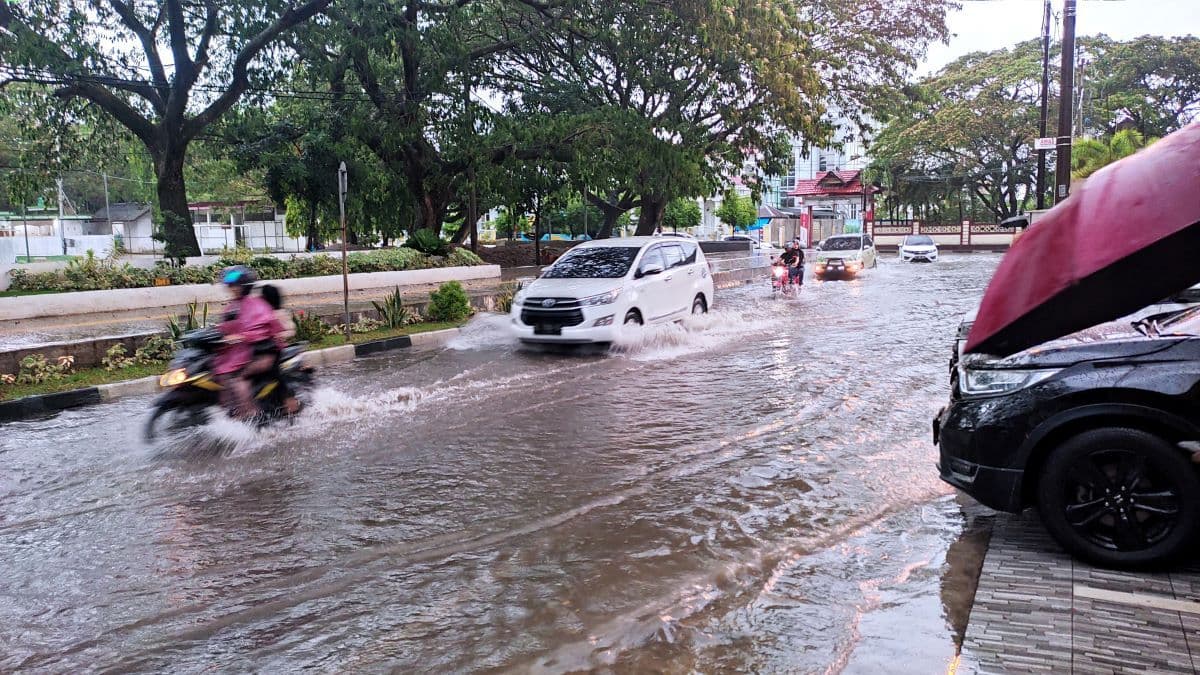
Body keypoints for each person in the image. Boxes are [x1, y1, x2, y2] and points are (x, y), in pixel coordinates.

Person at [213, 266, 287, 420]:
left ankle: (250, 413)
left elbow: (264, 329)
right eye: (229, 286)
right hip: (241, 353)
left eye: (234, 286)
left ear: (244, 286)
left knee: (237, 378)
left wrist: (241, 336)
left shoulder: (257, 305)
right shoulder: (233, 305)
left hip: (263, 353)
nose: (231, 289)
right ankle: (228, 410)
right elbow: (225, 326)